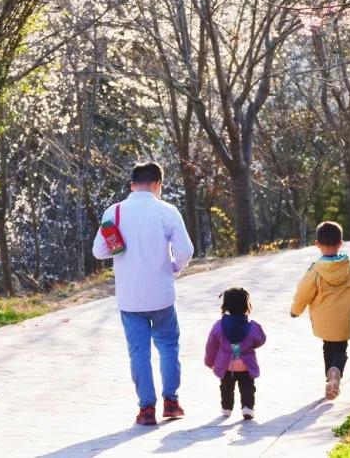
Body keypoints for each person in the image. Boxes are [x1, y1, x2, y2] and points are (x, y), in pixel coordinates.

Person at [93, 162, 195, 426]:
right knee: (169, 347)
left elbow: (99, 252)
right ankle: (171, 402)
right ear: (158, 185)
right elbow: (185, 250)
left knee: (138, 353)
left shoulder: (113, 212)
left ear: (132, 185)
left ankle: (146, 409)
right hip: (161, 295)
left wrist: (120, 247)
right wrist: (174, 268)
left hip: (130, 298)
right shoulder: (167, 211)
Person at [289, 220, 350, 400]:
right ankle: (335, 373)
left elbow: (303, 293)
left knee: (327, 347)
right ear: (340, 243)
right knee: (340, 349)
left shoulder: (315, 271)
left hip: (323, 320)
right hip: (343, 320)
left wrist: (295, 311)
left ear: (317, 245)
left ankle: (329, 377)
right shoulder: (349, 269)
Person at [204, 287, 267, 420]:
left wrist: (209, 362)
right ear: (246, 305)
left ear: (225, 305)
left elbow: (211, 346)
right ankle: (248, 407)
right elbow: (261, 340)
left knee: (226, 387)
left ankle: (226, 408)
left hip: (226, 364)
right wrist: (250, 345)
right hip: (245, 364)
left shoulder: (219, 325)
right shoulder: (253, 326)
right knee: (247, 386)